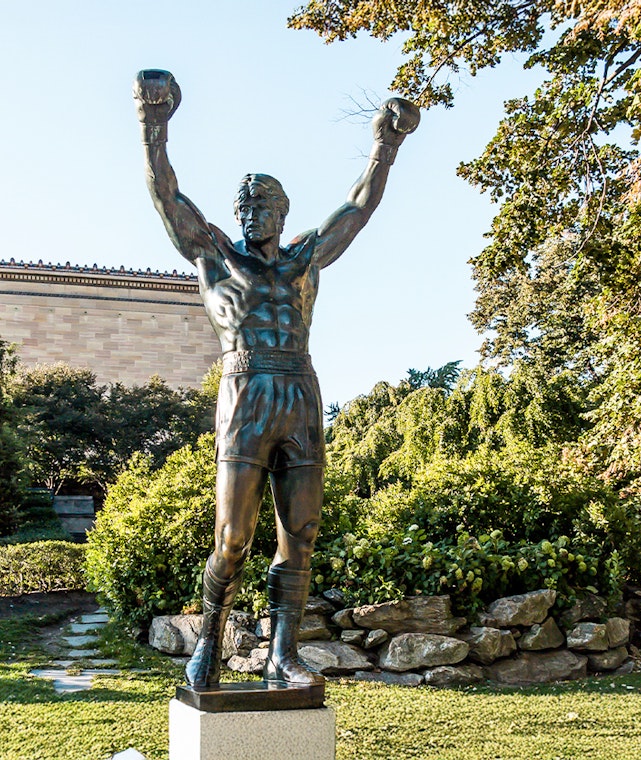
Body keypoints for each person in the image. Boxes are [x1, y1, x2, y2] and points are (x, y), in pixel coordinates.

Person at [133, 69, 419, 689]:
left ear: (284, 211)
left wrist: (385, 144)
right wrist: (154, 127)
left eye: (262, 202)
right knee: (233, 538)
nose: (249, 211)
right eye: (243, 203)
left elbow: (359, 207)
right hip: (245, 393)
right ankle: (208, 643)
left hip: (300, 392)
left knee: (303, 533)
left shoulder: (304, 258)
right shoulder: (216, 255)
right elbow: (167, 197)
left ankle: (282, 657)